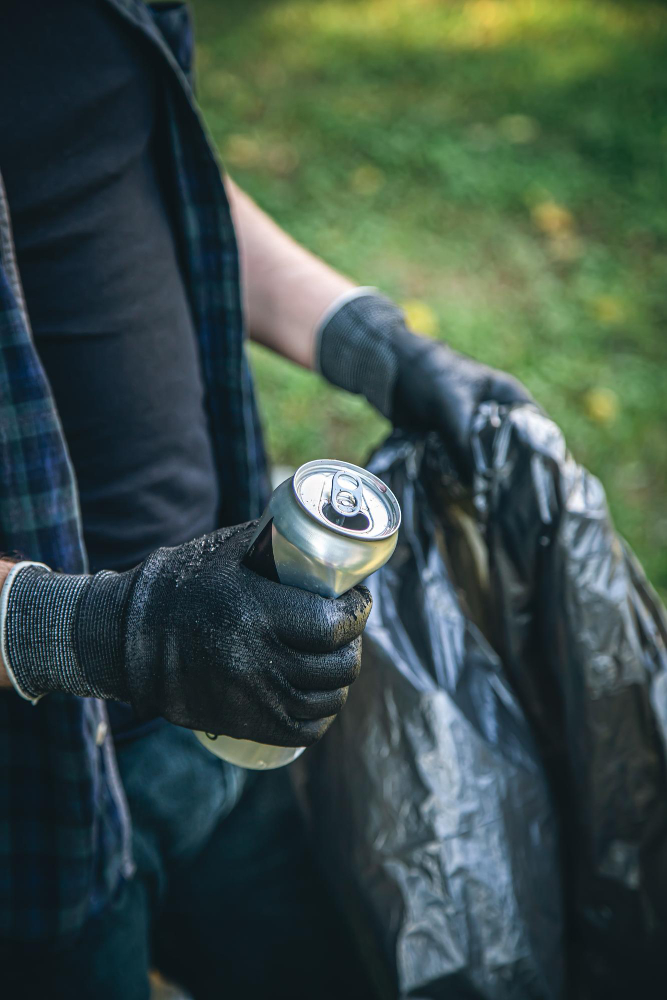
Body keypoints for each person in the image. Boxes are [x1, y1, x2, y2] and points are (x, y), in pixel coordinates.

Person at [0, 2, 532, 997]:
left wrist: (375, 345)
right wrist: (89, 629)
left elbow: (135, 163)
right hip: (29, 819)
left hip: (216, 696)